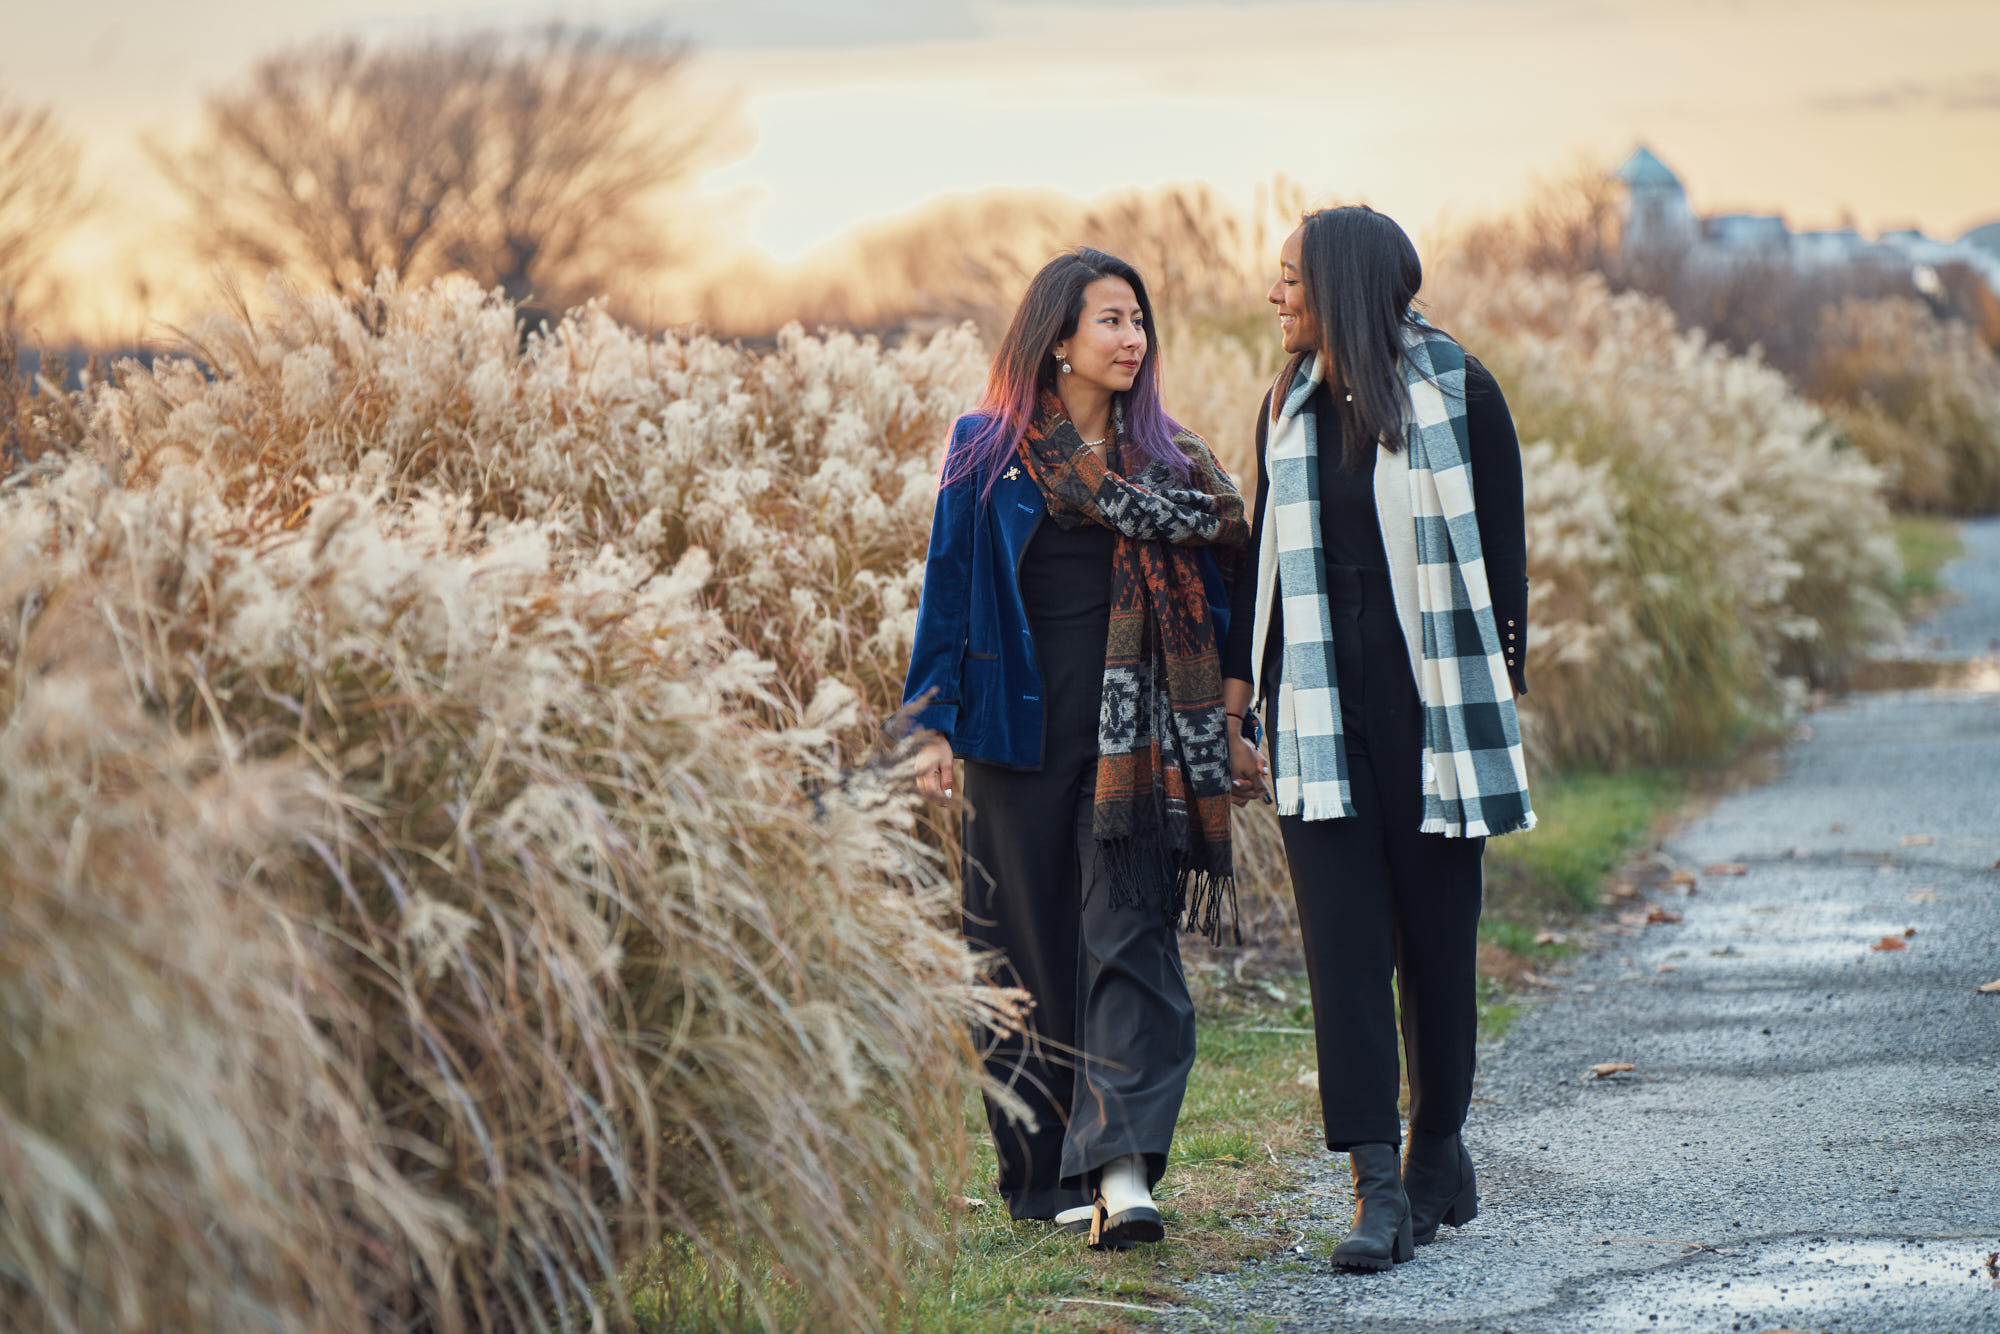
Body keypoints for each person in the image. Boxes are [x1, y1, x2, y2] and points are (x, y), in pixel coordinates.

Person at [903, 248, 1246, 1248]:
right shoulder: (985, 450)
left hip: (1133, 741)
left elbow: (1220, 605)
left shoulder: (1172, 468)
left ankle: (1122, 1166)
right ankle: (1038, 1172)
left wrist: (1231, 721)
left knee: (1127, 936)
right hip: (1015, 729)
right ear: (1057, 336)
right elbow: (949, 589)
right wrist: (927, 719)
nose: (1131, 336)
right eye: (1109, 319)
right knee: (1020, 948)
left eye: (1138, 319)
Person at [1221, 206, 1534, 1271]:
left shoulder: (1461, 390)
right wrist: (1246, 702)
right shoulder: (1284, 401)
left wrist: (1490, 704)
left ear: (1342, 286)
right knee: (1341, 947)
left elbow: (1503, 564)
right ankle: (1374, 1184)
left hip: (1431, 701)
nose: (1274, 297)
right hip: (1317, 697)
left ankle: (1435, 1145)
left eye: (1289, 283)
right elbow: (1263, 554)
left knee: (1436, 942)